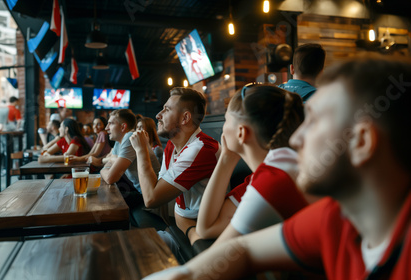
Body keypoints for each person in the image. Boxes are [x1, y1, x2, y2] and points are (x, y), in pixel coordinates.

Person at [143, 55, 411, 280]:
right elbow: (242, 249)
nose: (295, 138)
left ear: (361, 142)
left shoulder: (281, 180)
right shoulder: (334, 218)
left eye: (314, 121)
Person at [196, 84, 309, 244]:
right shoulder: (270, 171)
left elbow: (205, 231)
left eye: (226, 119)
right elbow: (208, 227)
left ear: (241, 133)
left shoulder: (272, 181)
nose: (223, 127)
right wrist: (227, 158)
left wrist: (226, 158)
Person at [130, 87, 220, 261]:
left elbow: (151, 198)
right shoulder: (172, 145)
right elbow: (158, 188)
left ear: (185, 118)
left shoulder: (200, 149)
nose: (158, 115)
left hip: (201, 235)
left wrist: (142, 151)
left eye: (167, 109)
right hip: (181, 227)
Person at [95, 109, 161, 210]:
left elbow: (110, 178)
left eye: (111, 123)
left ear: (123, 127)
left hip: (152, 196)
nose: (106, 128)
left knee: (103, 203)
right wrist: (111, 162)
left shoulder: (130, 137)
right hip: (140, 192)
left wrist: (102, 170)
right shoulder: (119, 141)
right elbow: (109, 162)